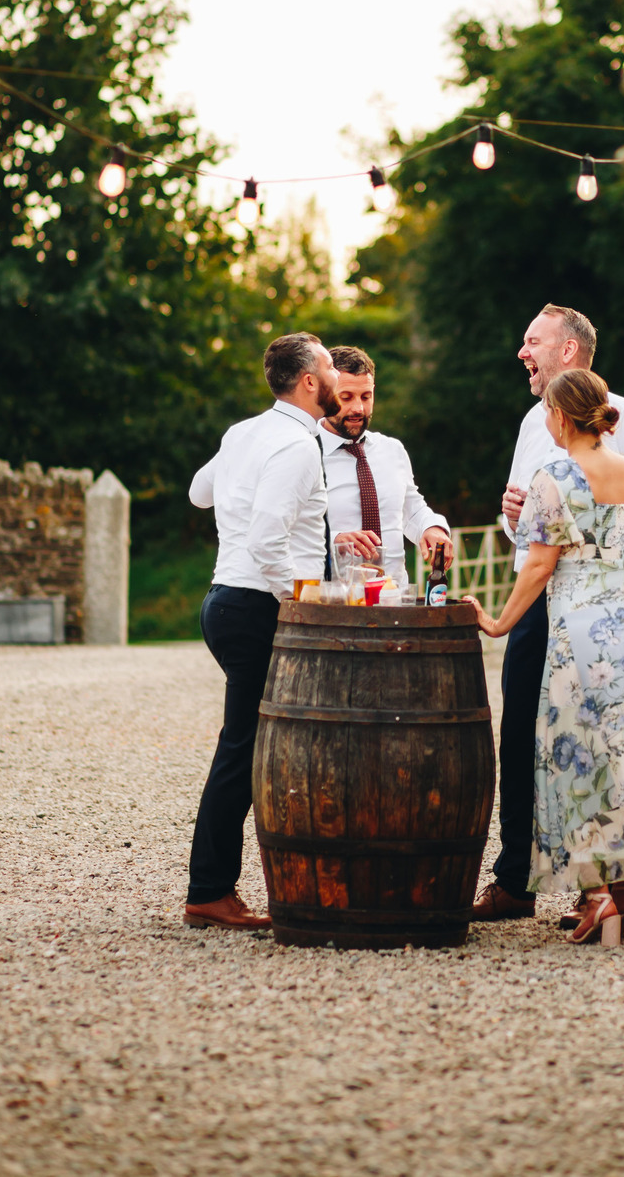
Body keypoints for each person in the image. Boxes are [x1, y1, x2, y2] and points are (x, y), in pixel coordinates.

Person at [470, 368, 624, 945]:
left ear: (564, 417)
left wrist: (497, 623)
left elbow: (540, 564)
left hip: (583, 633)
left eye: (548, 411)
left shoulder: (554, 476)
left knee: (581, 759)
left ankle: (599, 893)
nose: (545, 420)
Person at [183, 332, 339, 931]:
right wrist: (299, 600)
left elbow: (200, 493)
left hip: (224, 601)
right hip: (257, 608)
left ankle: (222, 884)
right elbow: (267, 539)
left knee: (249, 746)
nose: (333, 374)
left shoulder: (244, 433)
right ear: (308, 381)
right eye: (328, 366)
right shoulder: (298, 447)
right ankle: (210, 889)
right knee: (244, 750)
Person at [318, 345, 453, 585]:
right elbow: (287, 528)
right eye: (346, 397)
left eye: (366, 396)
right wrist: (334, 540)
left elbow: (410, 509)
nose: (358, 408)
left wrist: (431, 528)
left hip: (394, 597)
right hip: (335, 602)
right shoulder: (306, 453)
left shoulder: (392, 450)